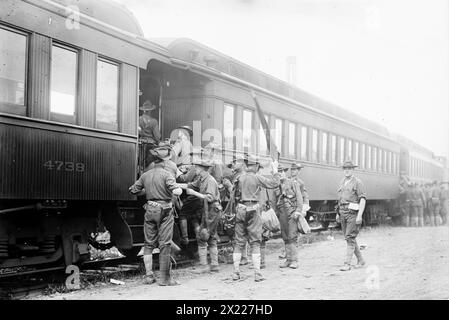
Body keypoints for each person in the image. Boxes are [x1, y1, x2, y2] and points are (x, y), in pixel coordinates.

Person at [128, 146, 183, 286]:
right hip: (164, 210)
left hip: (150, 209)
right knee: (165, 244)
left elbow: (133, 190)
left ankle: (149, 276)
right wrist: (178, 189)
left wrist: (149, 190)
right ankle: (165, 279)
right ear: (165, 161)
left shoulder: (145, 175)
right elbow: (176, 191)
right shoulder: (166, 174)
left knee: (148, 244)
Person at [232, 155, 280, 282]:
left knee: (238, 243)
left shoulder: (239, 178)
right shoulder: (257, 177)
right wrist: (275, 171)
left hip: (241, 210)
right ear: (254, 166)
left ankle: (236, 273)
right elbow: (275, 183)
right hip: (254, 210)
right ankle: (257, 273)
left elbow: (235, 196)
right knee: (255, 242)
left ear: (246, 166)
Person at [180, 159, 222, 273]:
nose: (195, 170)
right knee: (211, 237)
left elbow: (209, 197)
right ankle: (214, 265)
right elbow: (190, 185)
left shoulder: (210, 181)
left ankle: (204, 266)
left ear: (202, 169)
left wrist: (194, 193)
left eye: (197, 168)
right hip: (209, 209)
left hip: (212, 209)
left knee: (202, 237)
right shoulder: (202, 179)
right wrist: (174, 184)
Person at [336, 160, 367, 271]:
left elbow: (362, 199)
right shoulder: (342, 182)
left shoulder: (357, 182)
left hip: (352, 213)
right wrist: (338, 213)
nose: (347, 170)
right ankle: (361, 260)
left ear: (353, 170)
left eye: (349, 168)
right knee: (349, 238)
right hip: (343, 212)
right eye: (345, 168)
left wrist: (359, 215)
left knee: (350, 237)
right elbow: (340, 199)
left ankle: (347, 264)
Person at [276, 164, 303, 269]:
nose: (280, 174)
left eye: (282, 171)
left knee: (292, 236)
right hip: (282, 213)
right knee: (285, 236)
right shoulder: (276, 185)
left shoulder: (292, 183)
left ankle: (294, 260)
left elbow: (299, 198)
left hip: (292, 213)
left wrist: (298, 211)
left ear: (285, 172)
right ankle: (288, 260)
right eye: (278, 172)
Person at [138, 101, 161, 168]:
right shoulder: (154, 121)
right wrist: (158, 142)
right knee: (149, 163)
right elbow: (157, 136)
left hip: (140, 143)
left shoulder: (138, 119)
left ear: (143, 110)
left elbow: (137, 131)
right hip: (150, 145)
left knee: (140, 162)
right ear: (150, 110)